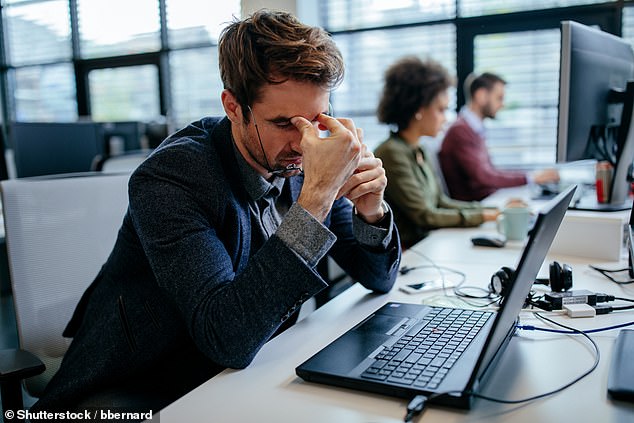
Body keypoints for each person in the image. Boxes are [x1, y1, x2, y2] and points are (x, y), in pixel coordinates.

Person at [32, 9, 401, 416]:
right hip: (152, 378)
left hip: (252, 366)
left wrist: (371, 208)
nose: (303, 142)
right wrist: (316, 198)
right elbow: (226, 337)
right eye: (283, 123)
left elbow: (379, 278)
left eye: (315, 120)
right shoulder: (171, 178)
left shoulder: (302, 161)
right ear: (232, 106)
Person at [374, 56, 498, 249]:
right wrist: (483, 215)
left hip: (429, 244)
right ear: (419, 109)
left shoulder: (420, 148)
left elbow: (441, 201)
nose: (446, 118)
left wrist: (492, 210)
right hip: (408, 254)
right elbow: (425, 215)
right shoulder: (391, 153)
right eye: (441, 110)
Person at [439, 72, 559, 201]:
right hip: (476, 206)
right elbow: (483, 177)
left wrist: (530, 178)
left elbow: (491, 172)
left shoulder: (474, 128)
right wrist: (532, 178)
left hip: (487, 199)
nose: (503, 104)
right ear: (481, 96)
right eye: (499, 98)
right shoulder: (460, 131)